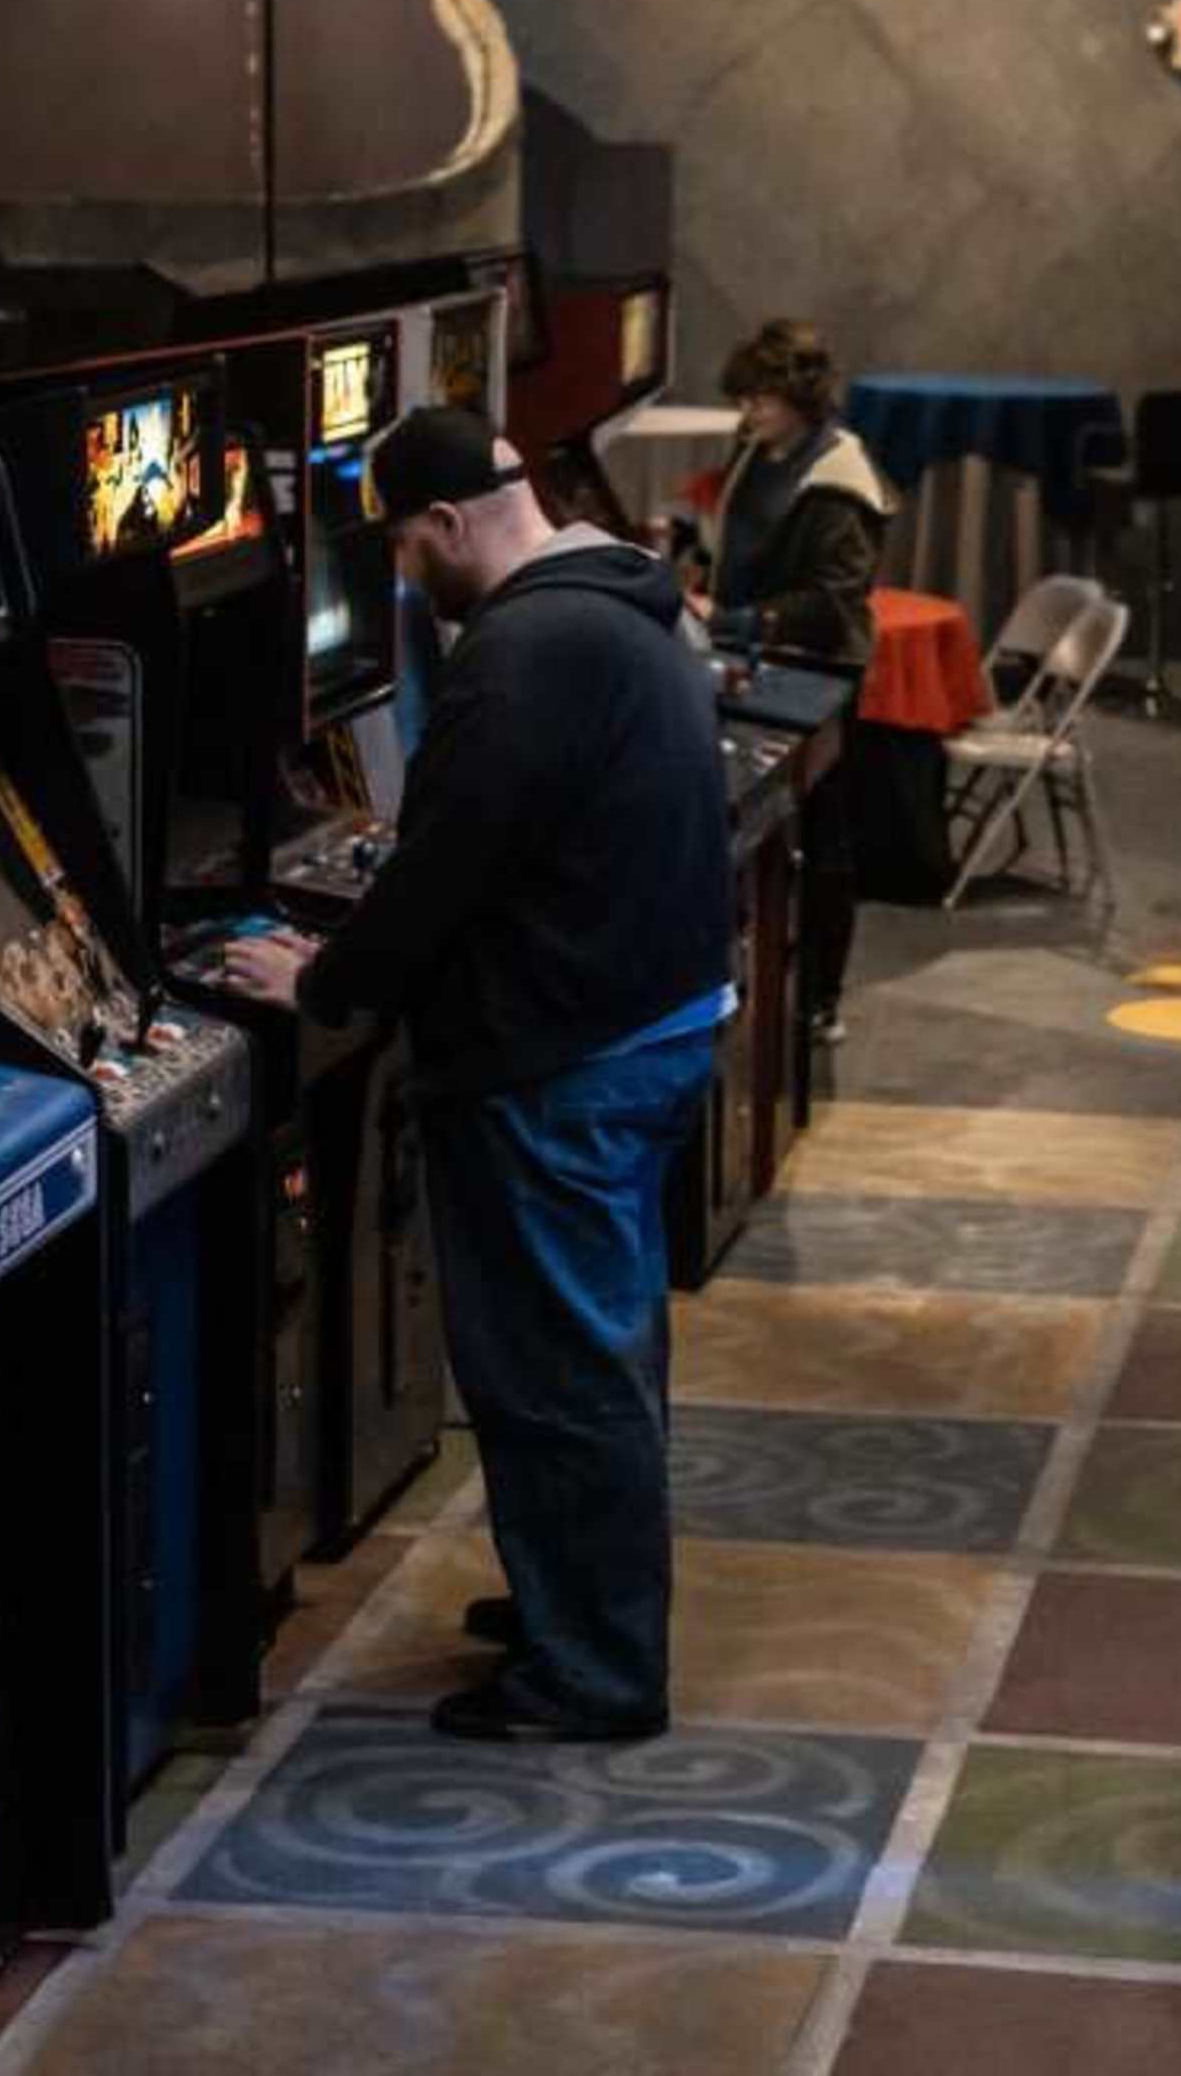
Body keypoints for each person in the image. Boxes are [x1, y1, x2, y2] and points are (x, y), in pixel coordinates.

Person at [290, 406, 732, 1743]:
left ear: (447, 521)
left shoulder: (524, 652)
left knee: (559, 1366)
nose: (411, 584)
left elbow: (444, 867)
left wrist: (318, 979)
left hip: (566, 1055)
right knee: (598, 1348)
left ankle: (592, 1670)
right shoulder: (616, 603)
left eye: (411, 555)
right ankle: (571, 1599)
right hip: (646, 1022)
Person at [704, 318, 891, 1042]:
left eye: (762, 398)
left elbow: (833, 603)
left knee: (823, 842)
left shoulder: (839, 479)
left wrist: (737, 620)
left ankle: (819, 999)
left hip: (817, 676)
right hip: (758, 663)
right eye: (744, 398)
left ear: (801, 398)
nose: (748, 412)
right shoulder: (758, 454)